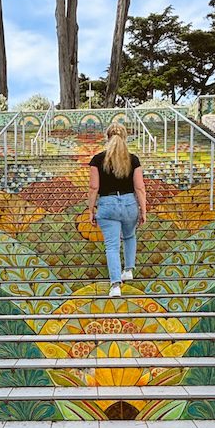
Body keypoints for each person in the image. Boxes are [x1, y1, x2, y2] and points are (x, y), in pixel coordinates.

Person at [87, 123, 147, 298]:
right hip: (129, 204)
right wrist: (143, 210)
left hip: (107, 205)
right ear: (125, 137)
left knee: (112, 246)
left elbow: (93, 187)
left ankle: (115, 286)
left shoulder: (97, 160)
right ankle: (128, 270)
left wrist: (91, 210)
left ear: (107, 137)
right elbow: (140, 188)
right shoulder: (133, 159)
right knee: (129, 236)